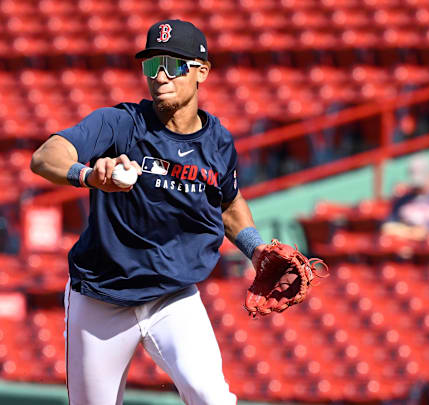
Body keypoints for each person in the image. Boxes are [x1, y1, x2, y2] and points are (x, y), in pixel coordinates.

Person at [30, 20, 277, 404]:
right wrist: (89, 175)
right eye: (151, 65)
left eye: (174, 65)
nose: (160, 76)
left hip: (173, 297)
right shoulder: (121, 123)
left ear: (202, 72)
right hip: (103, 297)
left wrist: (255, 248)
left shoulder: (218, 141)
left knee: (212, 397)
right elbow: (46, 156)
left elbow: (228, 202)